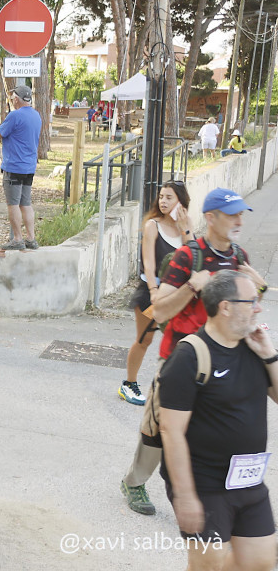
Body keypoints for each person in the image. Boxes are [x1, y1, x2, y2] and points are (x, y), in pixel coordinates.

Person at [120, 187, 266, 516]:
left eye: (241, 215)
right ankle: (134, 482)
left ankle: (216, 491)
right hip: (182, 357)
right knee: (159, 427)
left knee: (221, 426)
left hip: (225, 357)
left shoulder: (240, 258)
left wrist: (259, 289)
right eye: (232, 215)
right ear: (211, 218)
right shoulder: (188, 256)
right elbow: (159, 310)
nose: (239, 221)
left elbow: (247, 306)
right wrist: (191, 286)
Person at [159, 270, 277, 571]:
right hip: (205, 483)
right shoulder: (189, 357)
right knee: (209, 564)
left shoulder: (254, 347)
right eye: (251, 301)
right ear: (225, 307)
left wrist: (269, 355)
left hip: (248, 481)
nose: (258, 308)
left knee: (260, 561)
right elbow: (171, 431)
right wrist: (185, 495)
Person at [121, 182, 192, 406]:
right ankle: (129, 384)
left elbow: (193, 256)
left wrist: (186, 228)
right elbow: (149, 264)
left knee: (182, 342)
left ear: (181, 202)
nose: (163, 201)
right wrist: (154, 291)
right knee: (145, 339)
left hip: (177, 295)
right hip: (151, 292)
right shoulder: (153, 226)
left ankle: (176, 388)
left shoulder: (186, 227)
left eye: (169, 197)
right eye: (161, 197)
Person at [0, 84, 41, 250]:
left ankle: (17, 239)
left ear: (16, 99)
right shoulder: (36, 115)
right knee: (26, 203)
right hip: (29, 167)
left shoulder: (14, 115)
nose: (12, 100)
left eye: (13, 97)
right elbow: (16, 131)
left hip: (14, 166)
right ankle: (31, 238)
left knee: (13, 204)